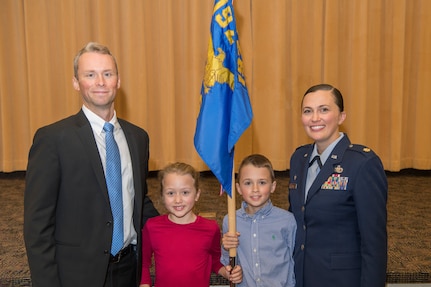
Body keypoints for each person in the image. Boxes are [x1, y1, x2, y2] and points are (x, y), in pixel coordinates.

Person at [24, 42, 159, 287]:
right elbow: (37, 224)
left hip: (129, 269)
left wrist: (180, 227)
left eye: (107, 74)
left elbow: (137, 199)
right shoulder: (53, 139)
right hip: (76, 274)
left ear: (118, 81)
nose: (100, 82)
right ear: (76, 82)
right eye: (90, 74)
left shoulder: (138, 138)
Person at [288, 84, 388, 287]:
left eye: (324, 109)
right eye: (308, 111)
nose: (315, 117)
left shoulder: (362, 164)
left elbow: (374, 243)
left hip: (341, 280)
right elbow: (294, 221)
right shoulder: (299, 158)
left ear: (341, 116)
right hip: (302, 276)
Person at [140, 162, 242, 287]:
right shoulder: (152, 227)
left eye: (185, 192)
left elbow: (215, 262)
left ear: (197, 195)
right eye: (171, 193)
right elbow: (144, 264)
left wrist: (227, 273)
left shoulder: (210, 228)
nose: (178, 200)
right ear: (162, 196)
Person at [221, 154, 297, 287]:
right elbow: (228, 263)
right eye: (248, 183)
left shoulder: (287, 221)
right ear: (238, 188)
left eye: (262, 182)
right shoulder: (231, 221)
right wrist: (227, 249)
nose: (255, 189)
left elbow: (295, 262)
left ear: (273, 186)